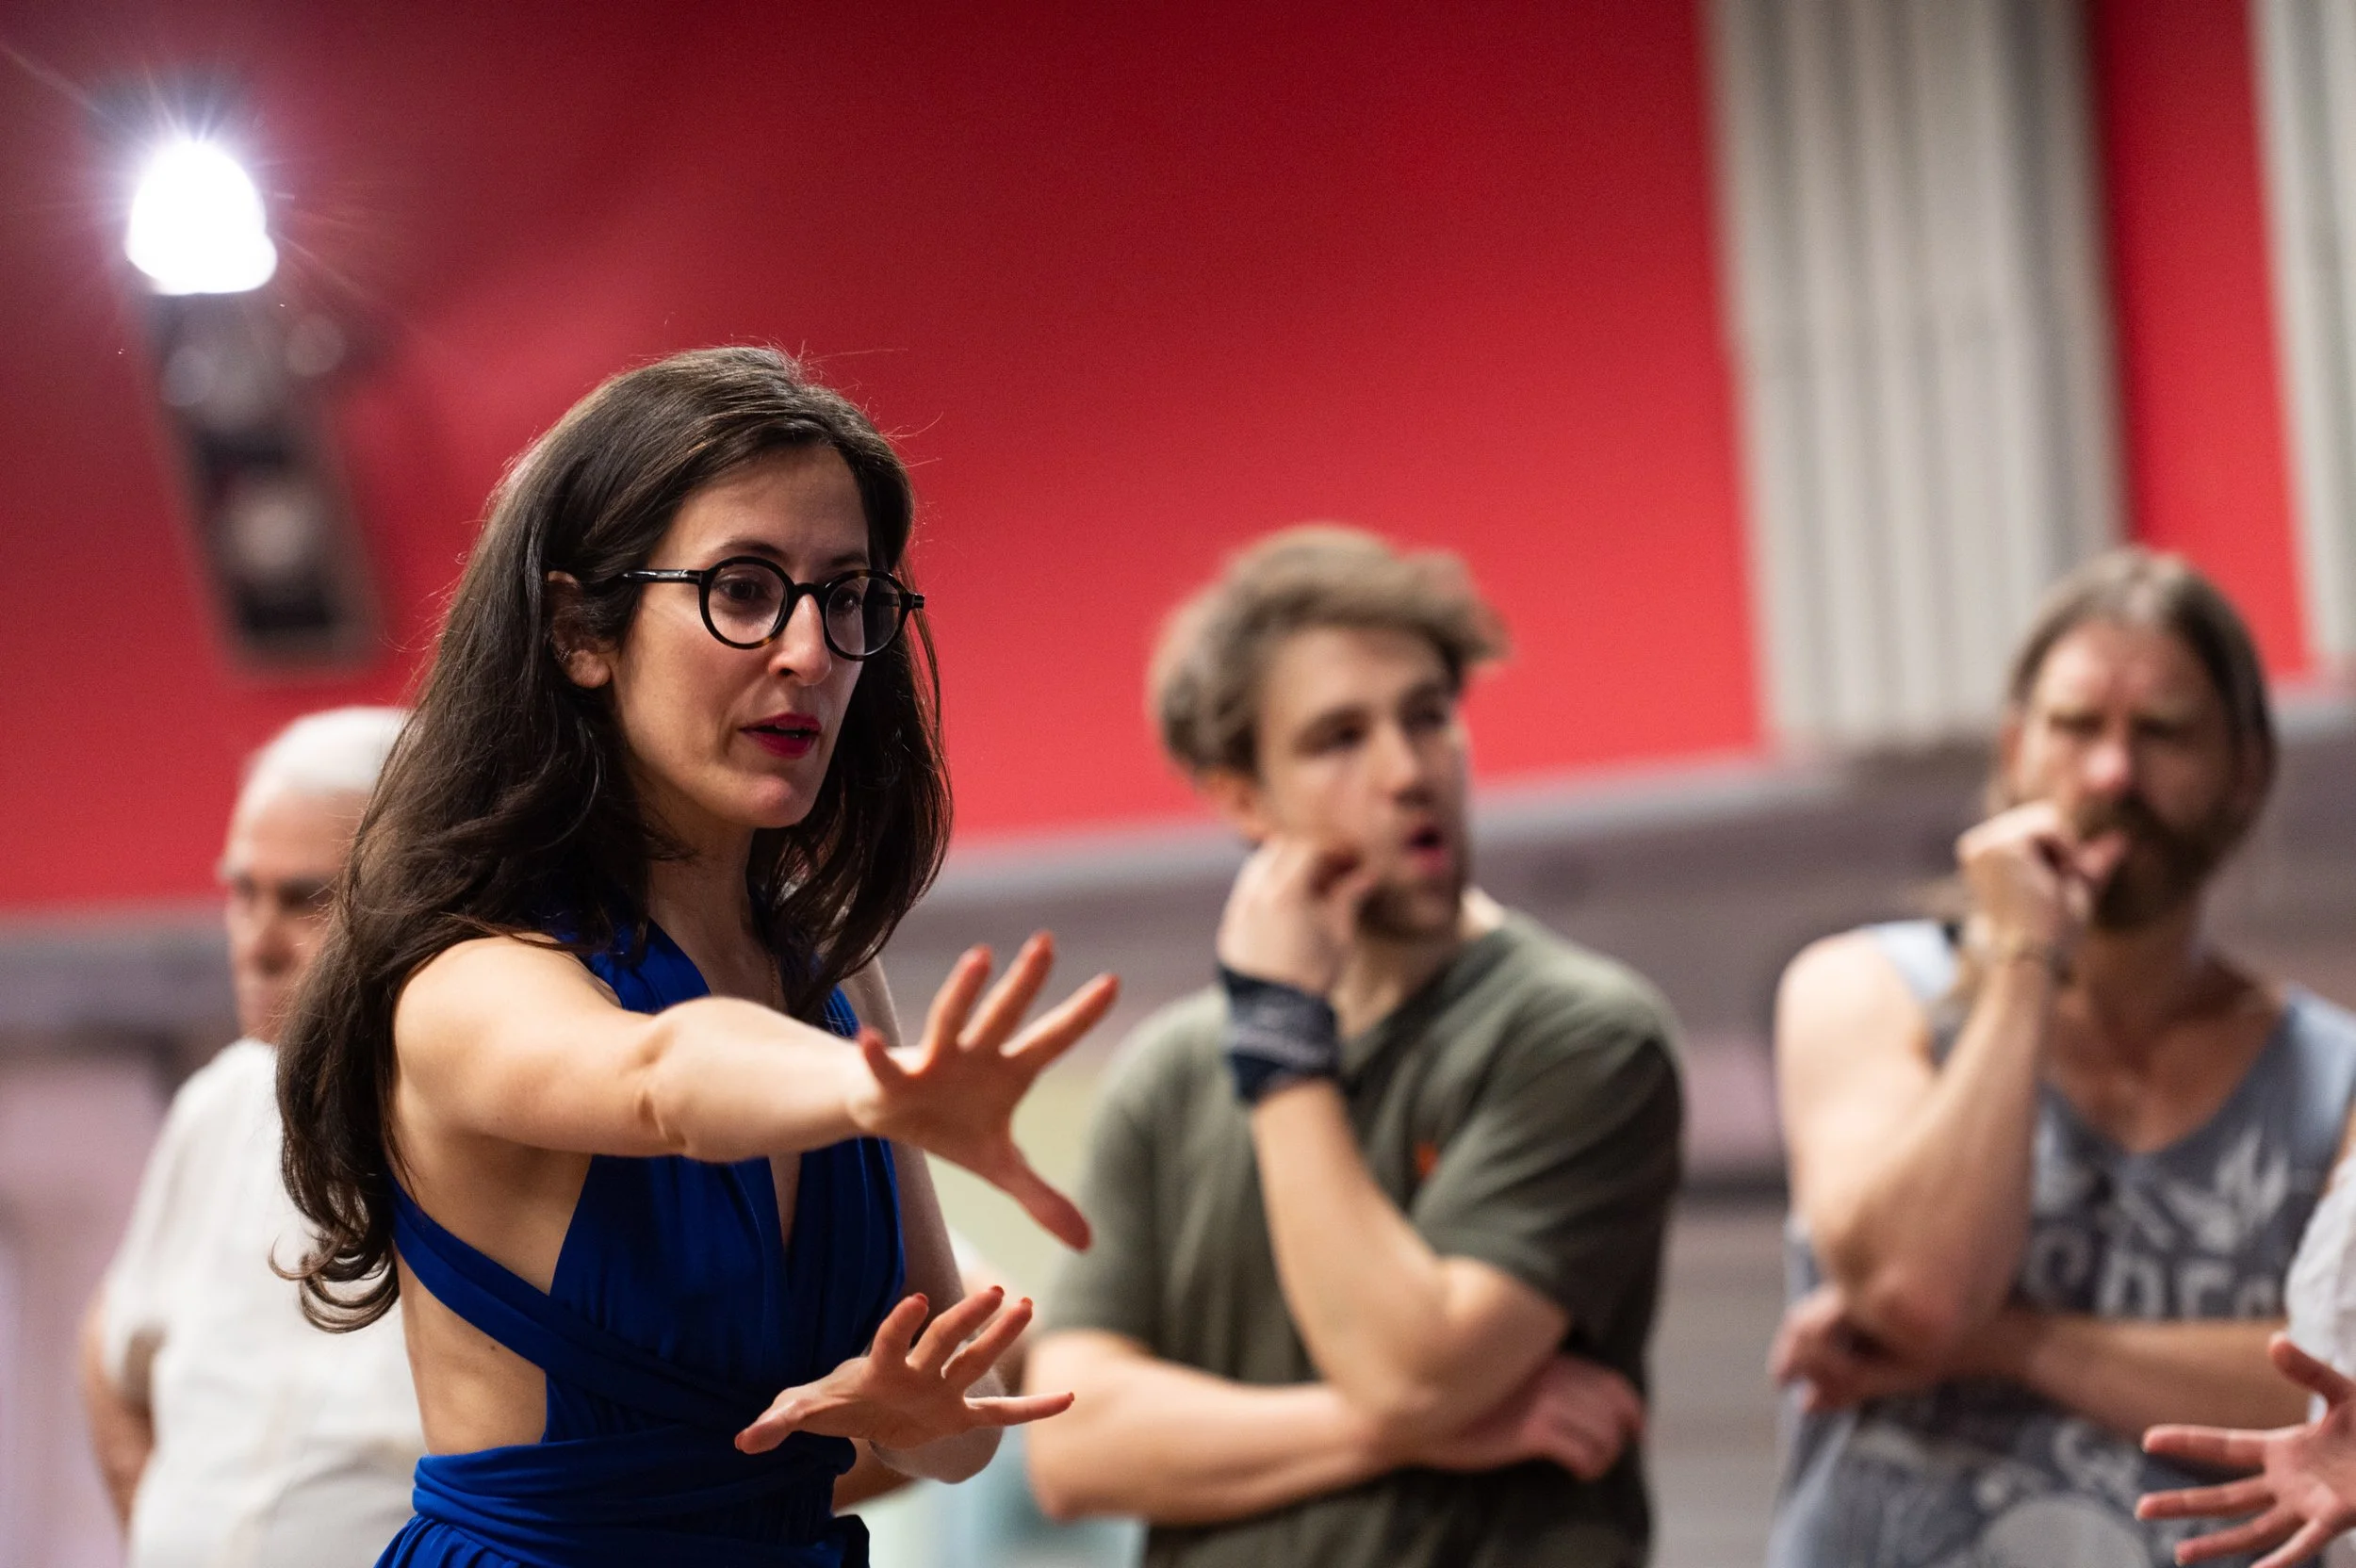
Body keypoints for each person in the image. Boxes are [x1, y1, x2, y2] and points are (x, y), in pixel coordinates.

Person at [273, 347, 1117, 1567]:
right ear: (579, 629)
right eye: (744, 588)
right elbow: (663, 1078)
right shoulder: (469, 976)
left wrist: (932, 1423)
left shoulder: (825, 963)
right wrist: (866, 1088)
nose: (812, 651)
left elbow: (940, 1423)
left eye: (847, 595)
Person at [1023, 526, 1685, 1566]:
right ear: (1243, 797)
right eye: (1339, 738)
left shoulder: (1580, 1031)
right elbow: (1070, 1446)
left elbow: (1409, 1369)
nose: (1407, 770)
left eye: (1427, 718)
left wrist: (1283, 1036)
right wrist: (1428, 1424)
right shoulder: (1167, 1072)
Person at [1766, 547, 2356, 1567]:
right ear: (2014, 750)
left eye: (2163, 732)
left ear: (2244, 770)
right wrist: (2026, 956)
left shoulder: (2334, 1074)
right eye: (2076, 726)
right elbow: (1919, 1289)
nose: (2112, 773)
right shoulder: (1861, 990)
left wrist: (2008, 1341)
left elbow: (2330, 1389)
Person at [76, 707, 422, 1568]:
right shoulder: (221, 1103)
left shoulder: (485, 1115)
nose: (256, 944)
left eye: (305, 900)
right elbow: (109, 1345)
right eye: (242, 893)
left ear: (415, 899)